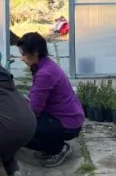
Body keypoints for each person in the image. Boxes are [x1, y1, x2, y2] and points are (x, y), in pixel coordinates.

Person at [17, 32, 85, 167]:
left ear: (35, 53)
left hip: (67, 123)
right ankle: (50, 146)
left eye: (24, 53)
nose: (22, 58)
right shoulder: (45, 65)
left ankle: (58, 149)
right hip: (68, 117)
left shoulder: (45, 73)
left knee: (19, 131)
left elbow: (34, 110)